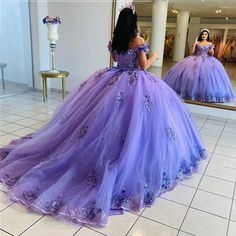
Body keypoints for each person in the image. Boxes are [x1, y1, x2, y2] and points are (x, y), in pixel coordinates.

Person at [0, 6, 206, 227]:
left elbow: (117, 60)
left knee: (101, 123)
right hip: (137, 84)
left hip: (113, 81)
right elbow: (143, 67)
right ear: (134, 22)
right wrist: (154, 55)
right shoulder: (137, 41)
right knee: (136, 126)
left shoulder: (115, 40)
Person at [164, 29, 235, 103]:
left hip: (207, 60)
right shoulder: (198, 43)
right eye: (203, 34)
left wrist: (211, 51)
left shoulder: (210, 43)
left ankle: (205, 94)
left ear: (207, 35)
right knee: (190, 75)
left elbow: (211, 54)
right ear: (201, 35)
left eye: (205, 34)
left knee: (208, 78)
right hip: (196, 59)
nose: (204, 35)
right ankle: (190, 92)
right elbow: (192, 53)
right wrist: (194, 44)